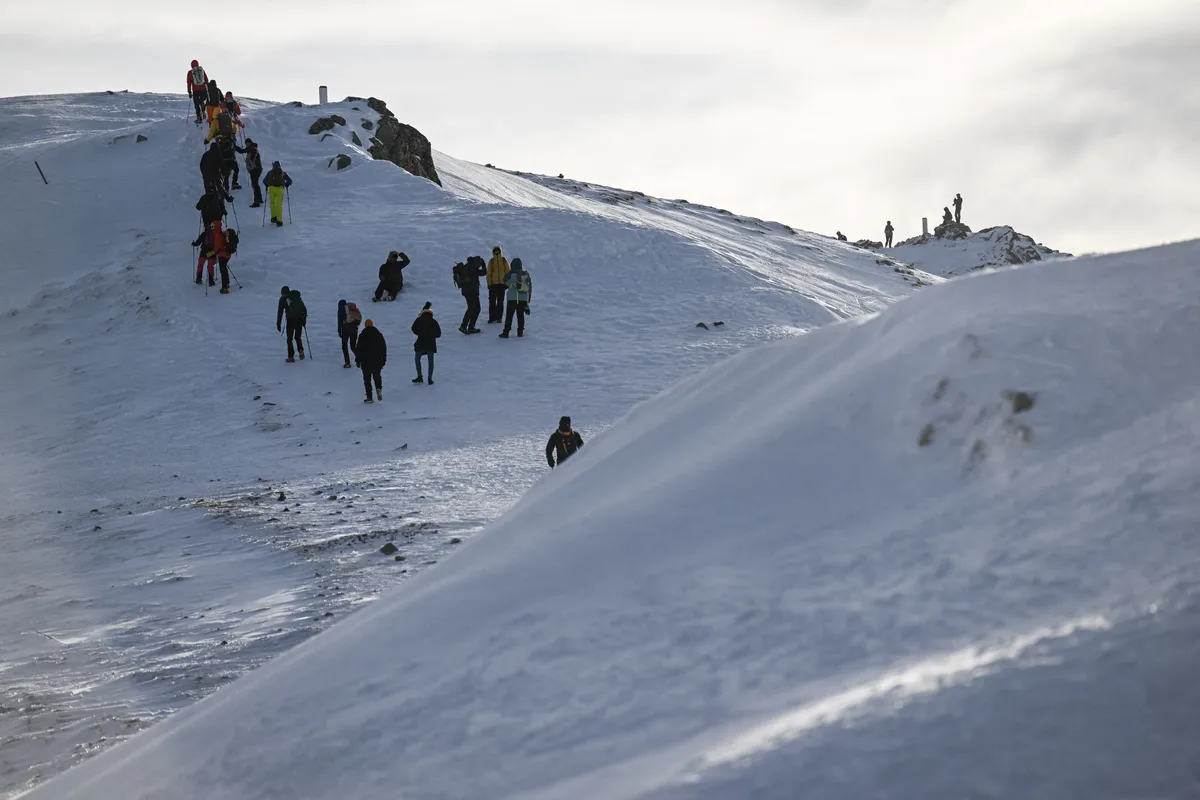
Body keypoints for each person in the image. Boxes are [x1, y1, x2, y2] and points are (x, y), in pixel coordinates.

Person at [453, 255, 487, 333]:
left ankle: (469, 327)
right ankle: (465, 326)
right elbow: (484, 272)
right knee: (474, 308)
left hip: (466, 292)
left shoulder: (466, 267)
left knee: (474, 308)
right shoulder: (473, 269)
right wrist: (483, 264)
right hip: (472, 292)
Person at [500, 257, 532, 338]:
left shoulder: (511, 274)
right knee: (520, 316)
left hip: (512, 298)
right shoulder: (525, 275)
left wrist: (511, 273)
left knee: (509, 316)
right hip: (523, 299)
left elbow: (504, 280)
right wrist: (527, 301)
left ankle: (506, 332)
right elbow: (529, 288)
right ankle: (520, 332)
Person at [411, 301, 441, 384]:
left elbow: (413, 328)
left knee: (417, 359)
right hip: (431, 344)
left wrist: (419, 333)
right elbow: (438, 334)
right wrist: (432, 335)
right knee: (430, 362)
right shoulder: (434, 321)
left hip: (420, 343)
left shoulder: (419, 320)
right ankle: (430, 378)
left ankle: (419, 376)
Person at [356, 319, 387, 402]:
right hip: (377, 361)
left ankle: (369, 396)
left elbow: (358, 349)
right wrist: (383, 360)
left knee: (367, 380)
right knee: (377, 377)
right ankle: (378, 388)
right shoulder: (379, 335)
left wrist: (358, 361)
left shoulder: (362, 335)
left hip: (365, 361)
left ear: (365, 326)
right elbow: (383, 348)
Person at [276, 286, 307, 362]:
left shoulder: (283, 299)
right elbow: (304, 309)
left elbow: (280, 312)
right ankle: (301, 350)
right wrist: (304, 321)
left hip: (290, 320)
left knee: (289, 339)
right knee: (297, 337)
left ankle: (291, 357)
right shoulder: (296, 297)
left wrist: (278, 324)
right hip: (299, 319)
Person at [263, 161, 292, 226]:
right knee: (279, 205)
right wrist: (286, 184)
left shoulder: (270, 172)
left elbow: (264, 181)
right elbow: (290, 181)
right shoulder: (282, 172)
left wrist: (267, 185)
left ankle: (273, 217)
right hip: (280, 189)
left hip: (271, 189)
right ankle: (279, 221)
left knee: (272, 203)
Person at [486, 245, 509, 323]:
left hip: (502, 285)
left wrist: (507, 283)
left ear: (500, 251)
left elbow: (507, 272)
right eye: (495, 251)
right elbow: (488, 273)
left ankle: (499, 317)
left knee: (500, 302)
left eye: (498, 251)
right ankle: (492, 318)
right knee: (492, 302)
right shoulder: (491, 261)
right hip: (493, 285)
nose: (496, 253)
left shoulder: (504, 260)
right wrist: (489, 283)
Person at [338, 300, 362, 368]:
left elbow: (339, 322)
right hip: (354, 329)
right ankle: (359, 359)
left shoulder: (341, 309)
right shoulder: (352, 309)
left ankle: (347, 363)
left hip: (346, 330)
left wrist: (339, 332)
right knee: (353, 346)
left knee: (344, 346)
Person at [243, 139, 264, 207]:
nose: (246, 145)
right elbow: (242, 151)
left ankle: (257, 201)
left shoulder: (252, 149)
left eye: (247, 143)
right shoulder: (252, 149)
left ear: (249, 143)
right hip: (256, 169)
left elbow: (252, 158)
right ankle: (259, 198)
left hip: (255, 169)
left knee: (254, 184)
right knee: (255, 184)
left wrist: (251, 165)